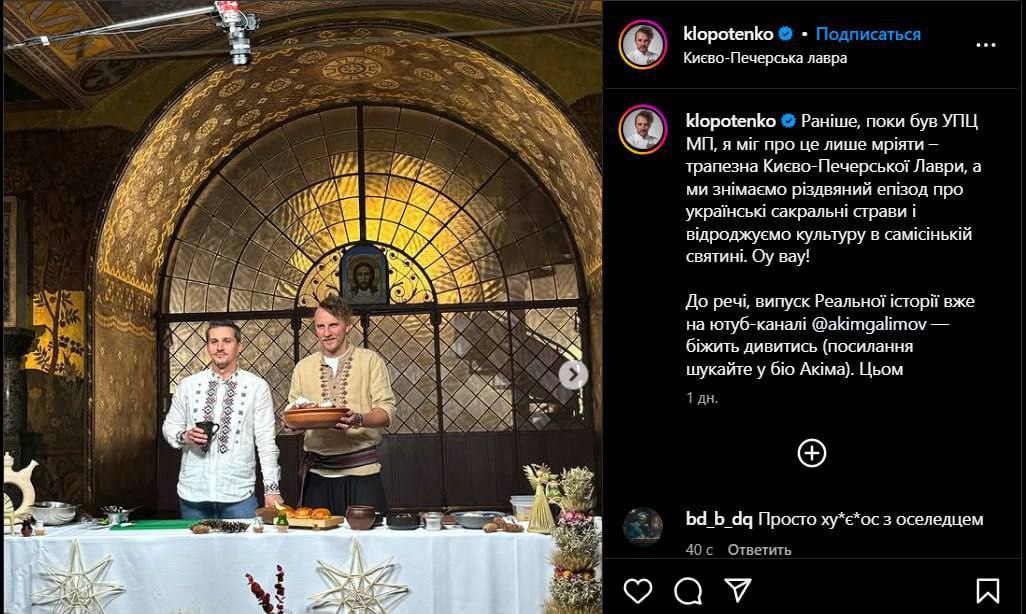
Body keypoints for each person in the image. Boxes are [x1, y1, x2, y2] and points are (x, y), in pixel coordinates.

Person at [281, 295, 395, 515]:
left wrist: (358, 419)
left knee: (367, 535)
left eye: (333, 325)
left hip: (362, 473)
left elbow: (387, 412)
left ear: (347, 325)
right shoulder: (303, 368)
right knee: (317, 536)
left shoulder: (370, 361)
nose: (326, 333)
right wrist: (291, 424)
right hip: (317, 476)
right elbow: (293, 412)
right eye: (320, 326)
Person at [162, 320, 283, 519]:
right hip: (193, 494)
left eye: (227, 341)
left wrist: (271, 489)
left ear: (239, 346)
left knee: (245, 542)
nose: (219, 347)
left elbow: (265, 441)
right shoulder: (188, 385)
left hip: (239, 495)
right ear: (207, 347)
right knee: (195, 542)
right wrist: (185, 436)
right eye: (214, 341)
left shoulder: (256, 387)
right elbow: (170, 426)